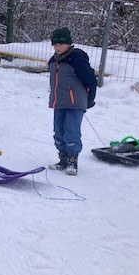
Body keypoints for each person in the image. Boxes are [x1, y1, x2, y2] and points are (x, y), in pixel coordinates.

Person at [47, 27, 97, 175]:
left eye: (61, 44)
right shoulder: (53, 61)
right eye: (55, 44)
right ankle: (63, 158)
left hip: (75, 103)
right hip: (59, 102)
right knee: (58, 131)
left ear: (69, 44)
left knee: (71, 131)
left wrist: (90, 99)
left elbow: (91, 81)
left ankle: (72, 160)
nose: (58, 47)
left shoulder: (77, 60)